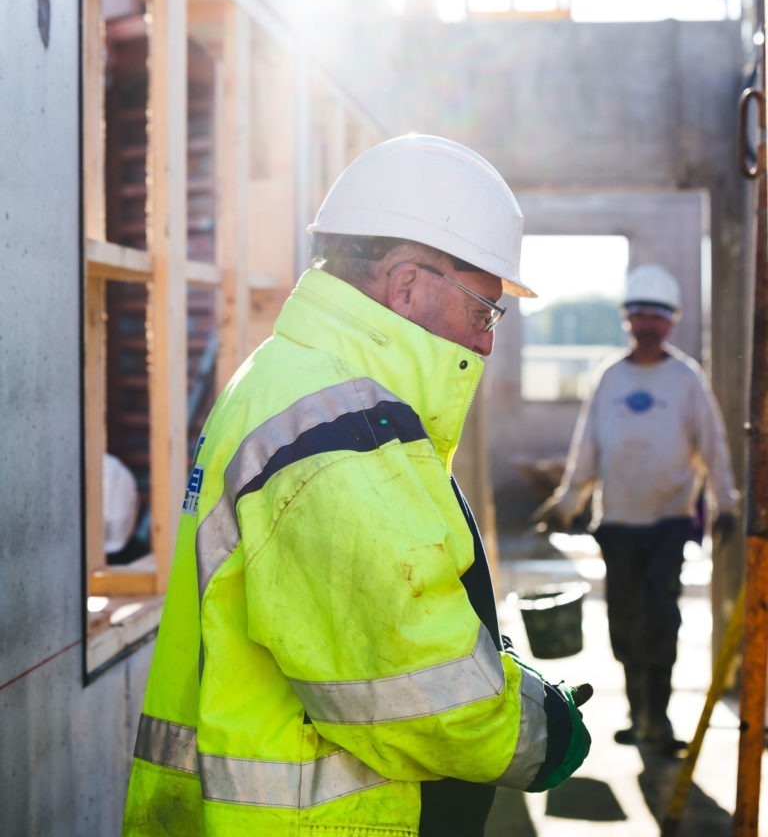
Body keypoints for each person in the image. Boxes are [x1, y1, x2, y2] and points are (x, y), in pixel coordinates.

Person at [122, 134, 592, 837]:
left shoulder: (290, 382)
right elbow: (417, 678)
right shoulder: (333, 424)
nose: (488, 341)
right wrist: (541, 729)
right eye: (484, 310)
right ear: (406, 284)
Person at [535, 262, 739, 757]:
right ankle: (637, 715)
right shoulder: (610, 378)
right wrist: (565, 505)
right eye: (639, 316)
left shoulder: (686, 379)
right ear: (627, 320)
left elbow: (712, 445)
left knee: (662, 618)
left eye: (657, 317)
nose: (648, 325)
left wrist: (726, 504)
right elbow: (587, 450)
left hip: (669, 523)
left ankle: (659, 718)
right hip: (619, 525)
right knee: (624, 620)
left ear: (672, 322)